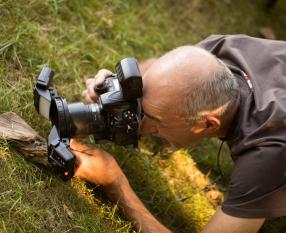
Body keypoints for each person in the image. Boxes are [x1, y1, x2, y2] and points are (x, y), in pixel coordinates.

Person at [70, 35, 286, 233]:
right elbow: (157, 74)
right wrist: (122, 93)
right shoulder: (218, 51)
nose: (143, 129)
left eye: (157, 122)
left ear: (209, 125)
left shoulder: (268, 155)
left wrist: (116, 184)